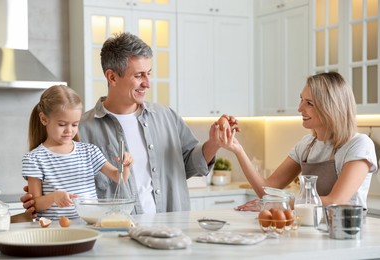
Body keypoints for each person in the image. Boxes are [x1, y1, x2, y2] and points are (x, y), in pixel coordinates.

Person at [21, 32, 237, 215]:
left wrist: (214, 142)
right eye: (139, 75)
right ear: (112, 77)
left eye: (149, 73)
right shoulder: (81, 129)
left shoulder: (166, 116)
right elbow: (62, 182)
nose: (147, 83)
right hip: (116, 237)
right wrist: (40, 199)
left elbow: (191, 165)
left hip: (171, 231)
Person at [218, 72, 378, 211]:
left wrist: (276, 205)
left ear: (331, 107)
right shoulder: (307, 145)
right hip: (312, 230)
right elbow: (267, 191)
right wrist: (237, 149)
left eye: (309, 103)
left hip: (345, 234)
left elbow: (335, 201)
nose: (300, 108)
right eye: (301, 99)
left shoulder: (359, 145)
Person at [22, 85, 133, 220]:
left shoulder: (89, 151)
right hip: (54, 230)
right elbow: (36, 204)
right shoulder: (34, 159)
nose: (69, 130)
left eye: (74, 124)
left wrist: (125, 166)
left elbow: (119, 178)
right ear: (44, 119)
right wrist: (54, 197)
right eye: (62, 124)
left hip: (89, 225)